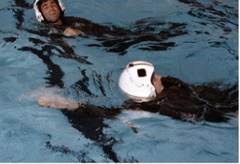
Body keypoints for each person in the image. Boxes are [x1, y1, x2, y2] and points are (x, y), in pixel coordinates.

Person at [37, 60, 238, 123]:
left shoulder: (167, 86)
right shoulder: (165, 105)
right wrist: (61, 103)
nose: (159, 77)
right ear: (148, 89)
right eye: (154, 78)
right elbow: (102, 112)